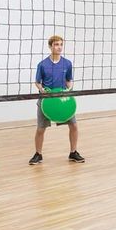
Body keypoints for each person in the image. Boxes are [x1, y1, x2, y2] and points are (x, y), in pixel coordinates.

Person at [29, 35, 85, 165]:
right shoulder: (42, 64)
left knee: (74, 126)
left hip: (63, 101)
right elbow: (37, 82)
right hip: (46, 101)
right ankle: (38, 154)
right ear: (50, 46)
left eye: (61, 44)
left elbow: (69, 80)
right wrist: (42, 90)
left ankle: (73, 152)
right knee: (40, 129)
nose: (59, 47)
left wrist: (69, 88)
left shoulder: (67, 63)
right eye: (56, 44)